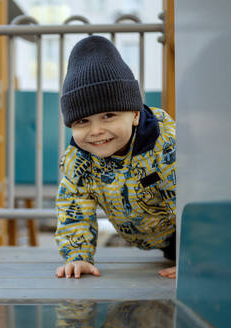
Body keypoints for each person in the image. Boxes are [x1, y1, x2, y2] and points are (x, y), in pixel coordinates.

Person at [54, 35, 176, 279]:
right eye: (82, 121)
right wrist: (78, 256)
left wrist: (199, 255)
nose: (96, 130)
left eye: (108, 115)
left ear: (134, 114)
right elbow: (74, 206)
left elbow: (194, 200)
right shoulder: (79, 162)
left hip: (190, 234)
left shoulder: (164, 144)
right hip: (154, 238)